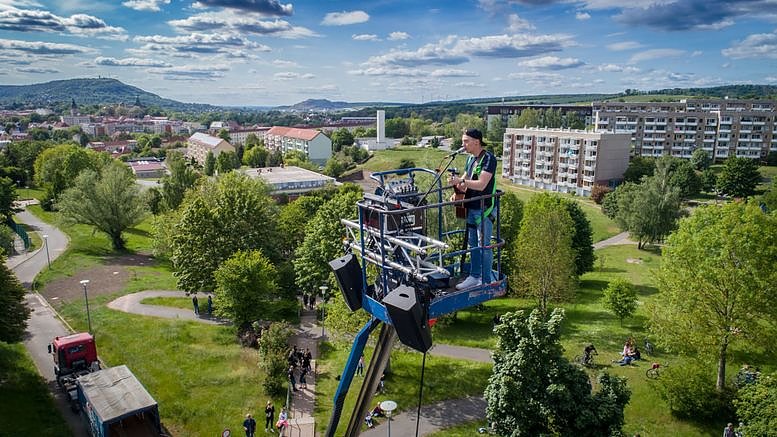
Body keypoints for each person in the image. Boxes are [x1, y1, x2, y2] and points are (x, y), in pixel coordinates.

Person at [449, 128, 497, 290]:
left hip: (484, 208)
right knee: (473, 244)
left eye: (466, 141)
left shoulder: (489, 158)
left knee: (484, 245)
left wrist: (462, 182)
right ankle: (474, 276)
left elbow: (482, 184)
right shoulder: (470, 159)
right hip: (471, 205)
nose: (463, 144)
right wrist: (457, 190)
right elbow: (466, 179)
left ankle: (485, 279)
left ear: (477, 142)